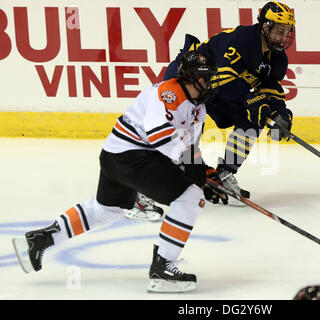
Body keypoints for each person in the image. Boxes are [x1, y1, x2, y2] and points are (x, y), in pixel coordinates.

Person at [11, 51, 228, 293]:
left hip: (117, 154)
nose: (209, 83)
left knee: (106, 209)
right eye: (205, 77)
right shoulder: (167, 94)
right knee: (189, 198)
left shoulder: (199, 108)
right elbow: (160, 138)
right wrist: (194, 177)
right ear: (190, 77)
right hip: (132, 155)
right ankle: (163, 267)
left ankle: (42, 238)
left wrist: (204, 173)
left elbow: (189, 147)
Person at [130, 1, 295, 212]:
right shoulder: (243, 40)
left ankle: (225, 175)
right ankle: (141, 193)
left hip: (216, 90)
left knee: (254, 117)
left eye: (286, 32)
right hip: (188, 80)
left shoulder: (278, 59)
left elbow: (271, 89)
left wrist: (281, 113)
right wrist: (251, 100)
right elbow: (221, 82)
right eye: (279, 31)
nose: (282, 37)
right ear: (265, 26)